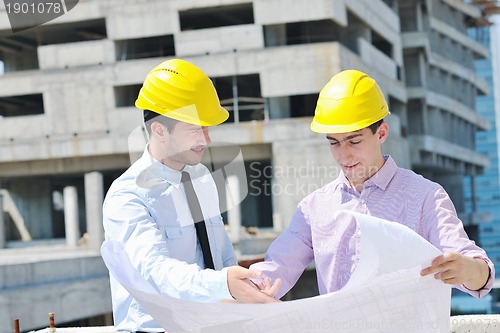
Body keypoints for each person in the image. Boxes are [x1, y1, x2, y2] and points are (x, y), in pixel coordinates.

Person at [251, 69, 495, 300]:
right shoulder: (314, 208)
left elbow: (477, 272)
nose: (343, 156)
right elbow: (275, 269)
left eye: (354, 141)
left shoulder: (425, 197)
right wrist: (241, 288)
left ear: (381, 133)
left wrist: (469, 270)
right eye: (334, 143)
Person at [102, 59, 279, 333]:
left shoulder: (201, 180)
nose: (206, 140)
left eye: (207, 129)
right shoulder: (127, 196)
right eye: (196, 129)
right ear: (160, 130)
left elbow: (222, 258)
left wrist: (245, 284)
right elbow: (156, 272)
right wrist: (224, 285)